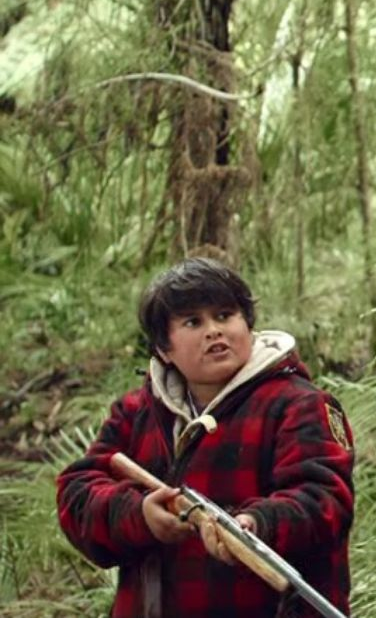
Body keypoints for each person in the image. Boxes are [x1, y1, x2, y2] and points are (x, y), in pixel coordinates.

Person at [57, 257, 355, 617]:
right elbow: (77, 494)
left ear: (248, 324)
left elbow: (325, 499)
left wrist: (257, 524)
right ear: (164, 349)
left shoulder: (301, 404)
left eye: (225, 315)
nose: (214, 330)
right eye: (193, 322)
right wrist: (140, 515)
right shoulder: (136, 413)